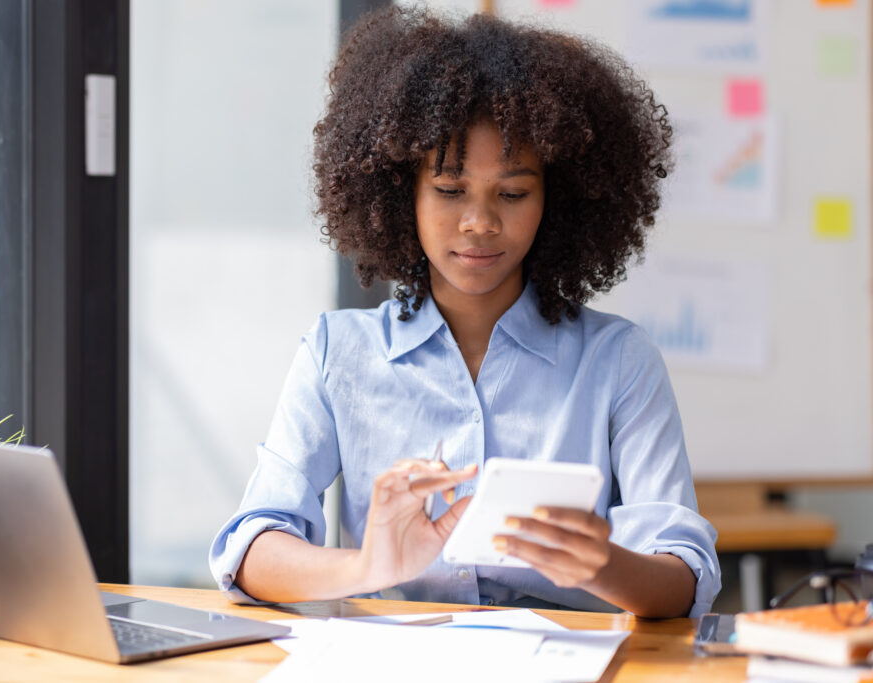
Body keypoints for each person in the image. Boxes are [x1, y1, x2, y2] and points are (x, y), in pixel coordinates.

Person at [209, 6, 719, 618]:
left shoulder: (619, 361)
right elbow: (249, 548)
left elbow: (685, 577)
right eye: (450, 191)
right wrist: (368, 566)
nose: (480, 223)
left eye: (512, 193)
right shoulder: (335, 353)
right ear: (402, 193)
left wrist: (606, 564)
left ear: (557, 200)